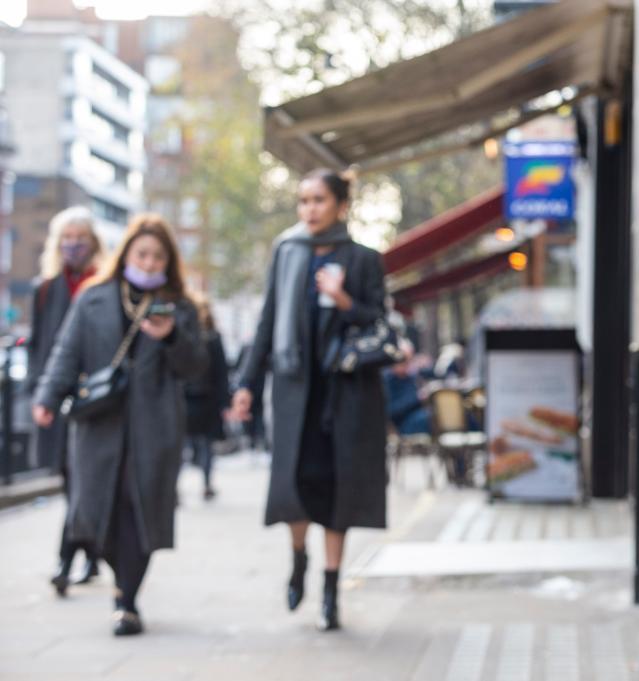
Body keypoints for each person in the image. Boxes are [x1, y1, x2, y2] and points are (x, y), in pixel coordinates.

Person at [32, 214, 207, 637]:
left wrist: (171, 336)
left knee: (141, 511)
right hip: (100, 423)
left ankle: (126, 600)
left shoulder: (179, 306)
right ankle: (115, 578)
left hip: (155, 425)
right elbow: (66, 351)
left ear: (168, 262)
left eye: (158, 257)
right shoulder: (94, 297)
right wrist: (47, 397)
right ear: (126, 253)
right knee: (98, 509)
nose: (148, 263)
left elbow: (196, 368)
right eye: (142, 254)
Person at [230, 168, 387, 631]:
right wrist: (246, 384)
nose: (310, 210)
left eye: (319, 200)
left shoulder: (363, 259)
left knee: (338, 489)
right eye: (303, 201)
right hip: (295, 392)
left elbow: (379, 320)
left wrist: (343, 300)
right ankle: (299, 557)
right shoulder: (287, 252)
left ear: (341, 205)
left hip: (346, 394)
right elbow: (268, 322)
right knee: (294, 485)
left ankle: (331, 590)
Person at [26, 206, 106, 596]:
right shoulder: (45, 289)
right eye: (67, 238)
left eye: (80, 238)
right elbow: (39, 345)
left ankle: (66, 559)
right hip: (58, 399)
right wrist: (40, 394)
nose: (73, 245)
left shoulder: (102, 285)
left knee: (80, 480)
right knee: (71, 479)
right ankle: (91, 553)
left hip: (95, 400)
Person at [183, 295, 231, 500]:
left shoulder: (188, 336)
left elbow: (221, 372)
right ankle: (206, 483)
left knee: (185, 444)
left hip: (190, 399)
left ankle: (179, 487)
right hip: (205, 399)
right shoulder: (212, 337)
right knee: (205, 445)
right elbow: (222, 373)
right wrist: (225, 401)